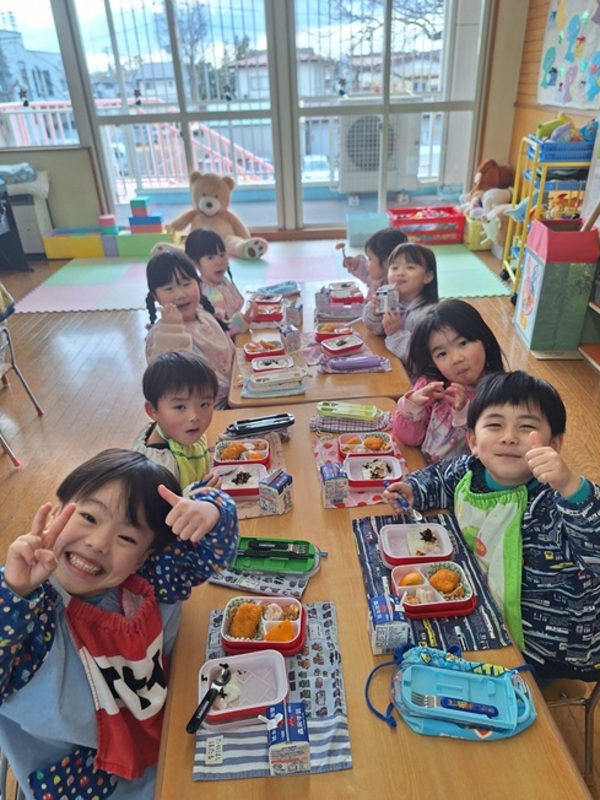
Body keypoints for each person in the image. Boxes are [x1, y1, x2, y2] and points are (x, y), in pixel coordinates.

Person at [0, 448, 238, 799]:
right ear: (58, 511)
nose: (98, 543)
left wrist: (213, 509)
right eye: (89, 517)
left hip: (168, 740)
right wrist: (13, 593)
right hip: (86, 784)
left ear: (143, 557)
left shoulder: (146, 580)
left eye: (126, 537)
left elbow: (208, 552)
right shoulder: (24, 605)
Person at [383, 370, 600, 682]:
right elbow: (439, 479)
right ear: (472, 440)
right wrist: (413, 489)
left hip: (542, 647)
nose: (509, 437)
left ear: (553, 444)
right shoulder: (469, 471)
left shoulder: (556, 502)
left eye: (526, 427)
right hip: (478, 604)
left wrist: (572, 487)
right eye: (495, 425)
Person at [393, 299, 506, 463]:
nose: (456, 359)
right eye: (442, 354)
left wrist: (465, 414)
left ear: (485, 339)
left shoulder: (501, 396)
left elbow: (492, 457)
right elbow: (408, 439)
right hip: (424, 471)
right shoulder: (432, 387)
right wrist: (413, 404)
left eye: (463, 343)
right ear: (432, 361)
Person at [144, 249, 235, 408]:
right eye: (169, 288)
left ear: (198, 283)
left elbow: (229, 343)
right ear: (155, 296)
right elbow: (169, 379)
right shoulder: (160, 335)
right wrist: (171, 330)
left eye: (186, 284)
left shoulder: (203, 313)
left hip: (234, 391)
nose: (180, 294)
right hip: (202, 410)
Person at [132, 350, 221, 490]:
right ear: (153, 410)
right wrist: (196, 496)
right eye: (180, 407)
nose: (194, 416)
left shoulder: (179, 432)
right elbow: (161, 504)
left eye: (204, 404)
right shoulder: (158, 466)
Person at [363, 241, 439, 364]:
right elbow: (375, 330)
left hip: (413, 372)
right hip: (390, 360)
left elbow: (418, 356)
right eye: (394, 268)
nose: (400, 273)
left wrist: (395, 333)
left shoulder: (427, 314)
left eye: (410, 267)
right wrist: (375, 313)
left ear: (427, 277)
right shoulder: (392, 299)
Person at [184, 228, 257, 334]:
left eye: (222, 255)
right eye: (210, 257)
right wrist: (246, 320)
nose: (219, 262)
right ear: (195, 262)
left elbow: (233, 313)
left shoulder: (225, 282)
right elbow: (221, 328)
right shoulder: (207, 292)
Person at [341, 227, 408, 297]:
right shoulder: (377, 279)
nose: (367, 263)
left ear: (386, 263)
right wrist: (357, 264)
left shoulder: (394, 292)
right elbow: (367, 273)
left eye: (370, 259)